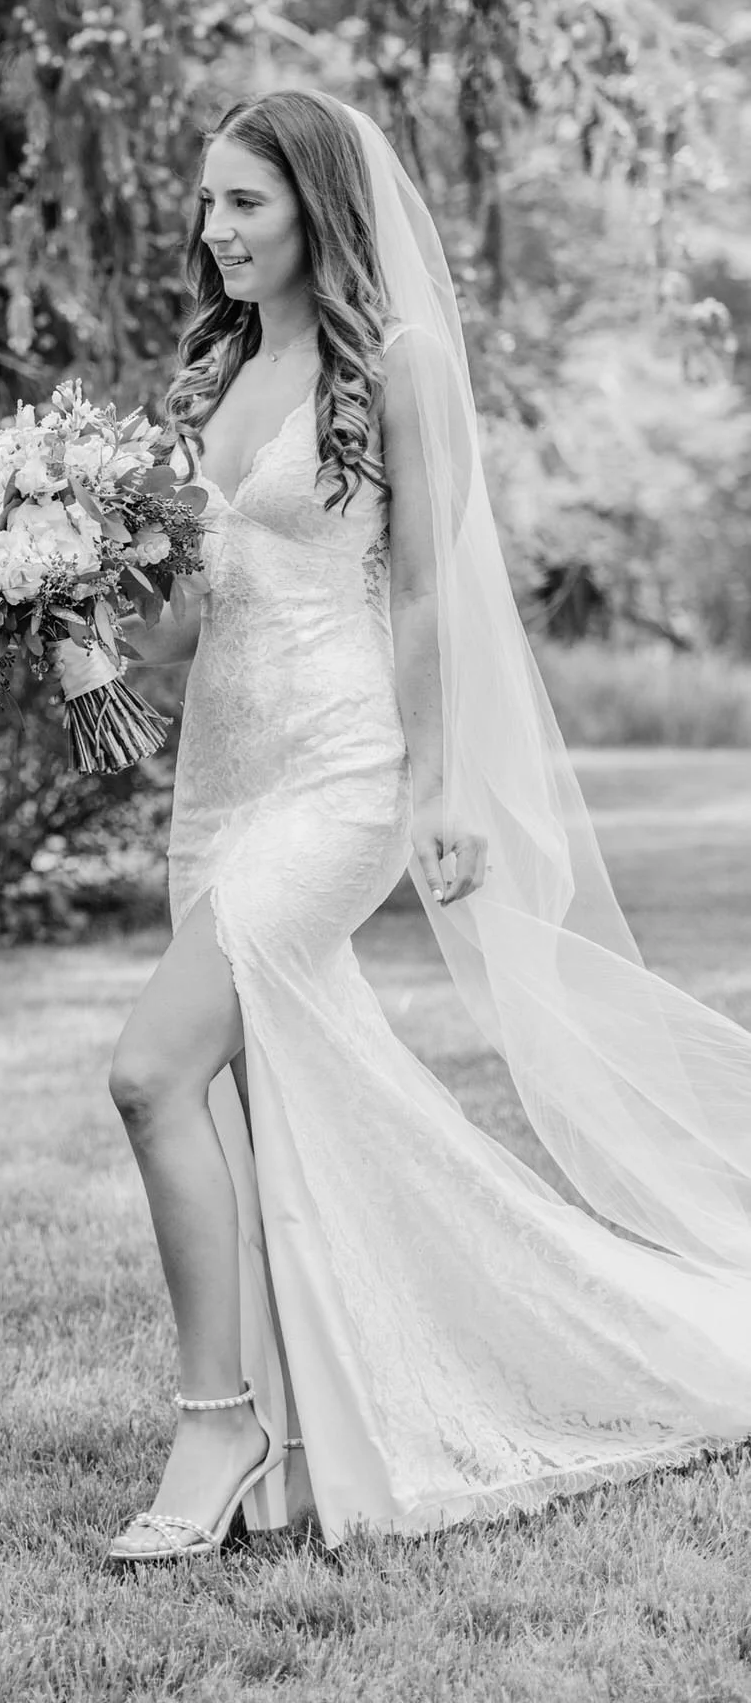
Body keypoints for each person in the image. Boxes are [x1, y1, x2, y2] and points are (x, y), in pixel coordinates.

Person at [105, 88, 751, 1561]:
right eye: (207, 202)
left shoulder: (398, 363)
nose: (216, 230)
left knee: (151, 1073)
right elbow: (197, 602)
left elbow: (425, 593)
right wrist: (68, 621)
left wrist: (439, 787)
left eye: (247, 202)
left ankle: (218, 1425)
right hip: (221, 776)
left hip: (344, 773)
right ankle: (308, 1422)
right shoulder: (214, 371)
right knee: (266, 1105)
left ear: (318, 205)